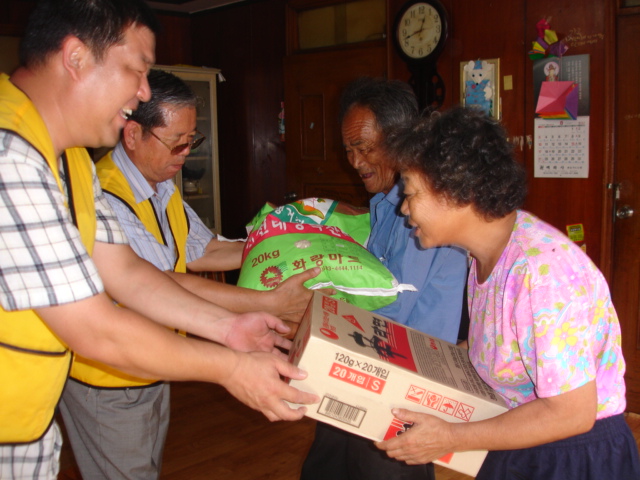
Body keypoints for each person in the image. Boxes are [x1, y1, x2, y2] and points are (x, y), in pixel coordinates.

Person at [0, 1, 317, 478]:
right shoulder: (10, 154)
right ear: (76, 57)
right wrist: (230, 366)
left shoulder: (71, 161)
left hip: (28, 427)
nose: (143, 91)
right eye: (136, 69)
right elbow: (95, 326)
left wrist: (227, 329)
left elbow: (125, 270)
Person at [59, 69, 319, 480]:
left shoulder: (161, 186)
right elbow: (160, 280)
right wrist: (267, 304)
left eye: (191, 140)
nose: (185, 152)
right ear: (132, 134)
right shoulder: (106, 193)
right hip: (110, 376)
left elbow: (204, 249)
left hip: (151, 360)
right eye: (176, 142)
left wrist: (287, 247)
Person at [376, 106, 640, 479]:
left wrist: (449, 437)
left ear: (456, 192)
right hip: (521, 433)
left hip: (572, 454)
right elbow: (503, 342)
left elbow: (572, 413)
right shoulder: (484, 253)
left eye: (411, 193)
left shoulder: (542, 275)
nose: (404, 209)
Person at [300, 77, 469, 480]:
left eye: (364, 148)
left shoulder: (422, 210)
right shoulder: (382, 203)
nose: (354, 162)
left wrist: (313, 313)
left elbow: (389, 307)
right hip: (371, 372)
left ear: (399, 142)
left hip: (403, 386)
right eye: (348, 150)